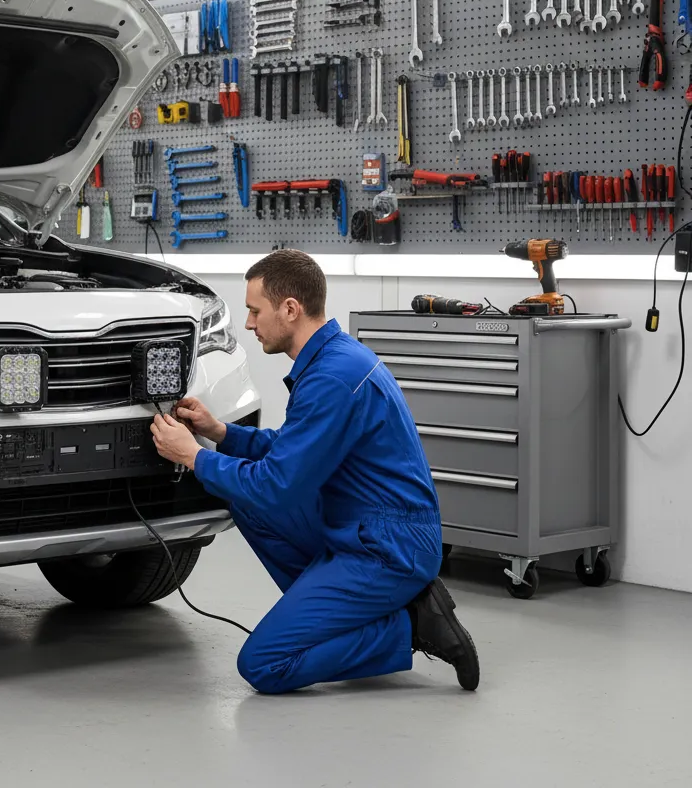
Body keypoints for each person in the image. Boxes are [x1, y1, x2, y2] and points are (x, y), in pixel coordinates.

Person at [150, 248, 480, 695]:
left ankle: (410, 627)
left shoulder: (332, 379)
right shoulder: (334, 359)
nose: (249, 324)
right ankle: (330, 613)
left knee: (264, 664)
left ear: (290, 309)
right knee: (244, 499)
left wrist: (194, 456)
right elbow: (294, 450)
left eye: (254, 310)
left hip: (387, 547)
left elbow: (278, 485)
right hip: (361, 526)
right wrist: (221, 432)